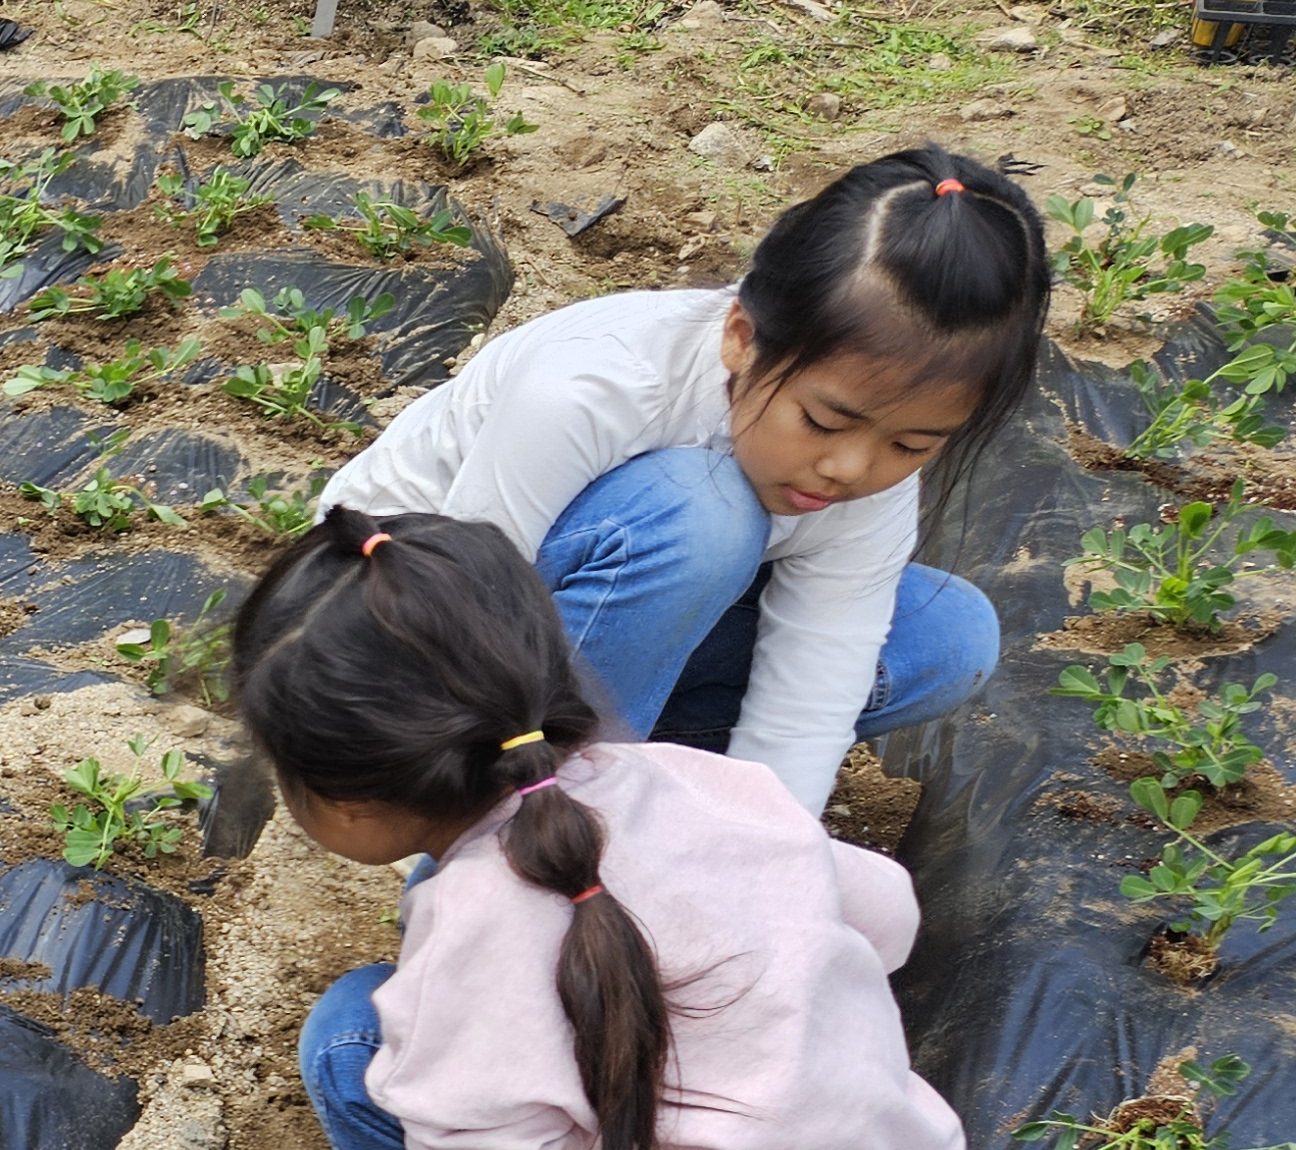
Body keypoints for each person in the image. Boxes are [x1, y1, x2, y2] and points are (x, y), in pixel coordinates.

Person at [219, 511, 966, 1150]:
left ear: (350, 800)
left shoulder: (487, 934)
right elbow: (888, 914)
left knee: (351, 1041)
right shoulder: (693, 783)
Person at [318, 144, 1050, 812]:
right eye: (825, 423)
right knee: (704, 514)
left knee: (948, 636)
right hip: (405, 636)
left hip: (602, 638)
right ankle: (538, 815)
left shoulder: (867, 480)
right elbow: (469, 607)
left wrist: (764, 860)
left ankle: (638, 782)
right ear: (740, 338)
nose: (851, 468)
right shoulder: (592, 388)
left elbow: (808, 702)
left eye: (913, 443)